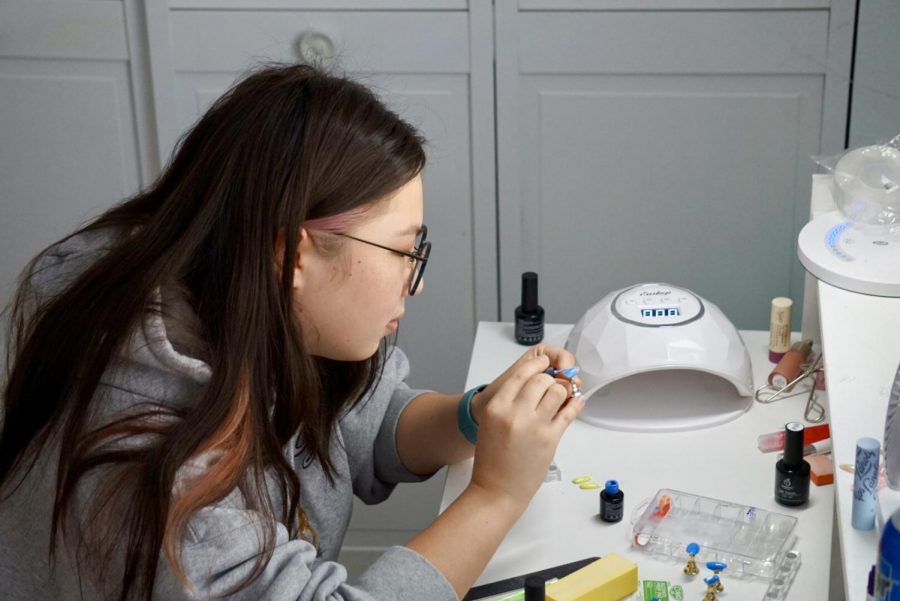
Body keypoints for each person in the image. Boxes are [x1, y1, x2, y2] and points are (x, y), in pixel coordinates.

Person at [0, 63, 584, 601]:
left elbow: (366, 418)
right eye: (405, 251)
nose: (416, 282)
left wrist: (475, 416)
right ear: (294, 255)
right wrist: (497, 496)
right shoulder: (161, 479)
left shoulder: (248, 298)